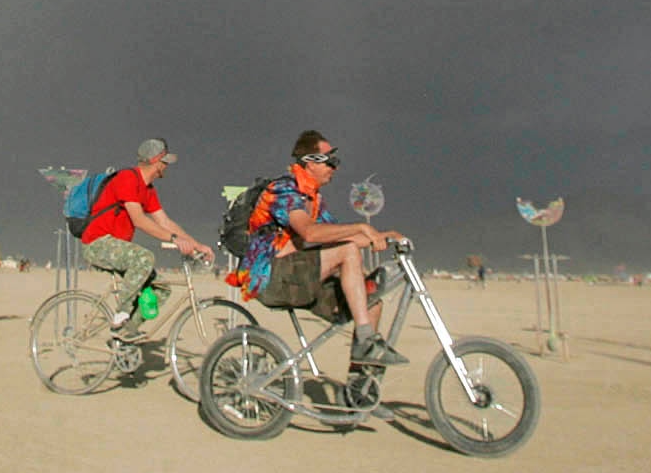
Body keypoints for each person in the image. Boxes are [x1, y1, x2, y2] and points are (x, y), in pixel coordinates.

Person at [231, 130, 407, 367]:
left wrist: (382, 236)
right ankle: (366, 340)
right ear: (310, 162)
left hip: (295, 274)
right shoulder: (284, 189)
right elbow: (310, 233)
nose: (334, 168)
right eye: (330, 161)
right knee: (347, 251)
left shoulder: (313, 198)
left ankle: (360, 394)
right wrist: (359, 229)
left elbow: (337, 234)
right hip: (271, 277)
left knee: (371, 302)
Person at [79, 138, 213, 338]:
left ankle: (126, 334)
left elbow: (165, 222)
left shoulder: (148, 190)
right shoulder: (127, 178)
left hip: (119, 246)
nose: (167, 166)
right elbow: (139, 220)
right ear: (156, 162)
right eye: (165, 162)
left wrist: (197, 245)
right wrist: (174, 240)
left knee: (162, 289)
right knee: (144, 257)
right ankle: (121, 314)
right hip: (98, 243)